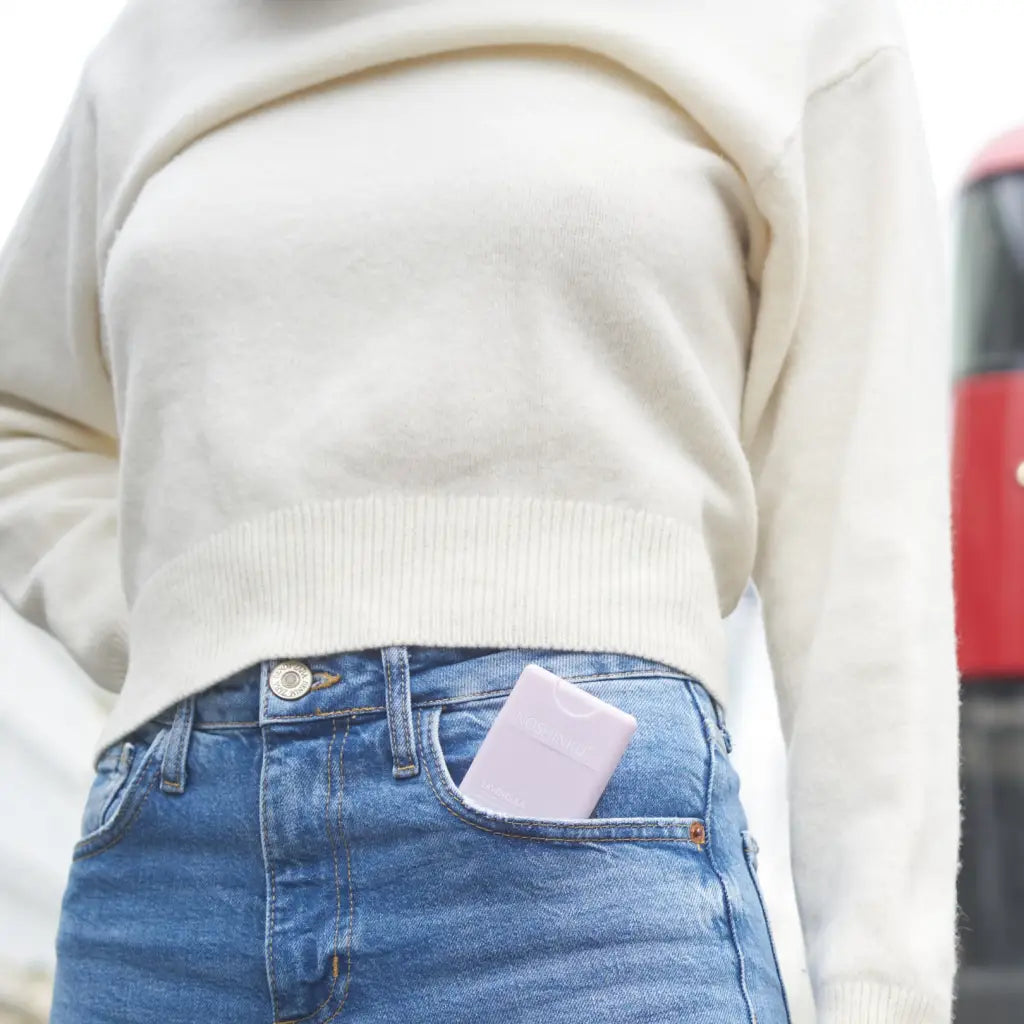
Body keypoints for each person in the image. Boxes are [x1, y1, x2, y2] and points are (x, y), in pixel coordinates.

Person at [0, 1, 960, 1022]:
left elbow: (865, 533)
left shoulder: (784, 23)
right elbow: (26, 416)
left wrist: (880, 986)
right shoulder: (147, 54)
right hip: (171, 865)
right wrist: (178, 621)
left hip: (576, 873)